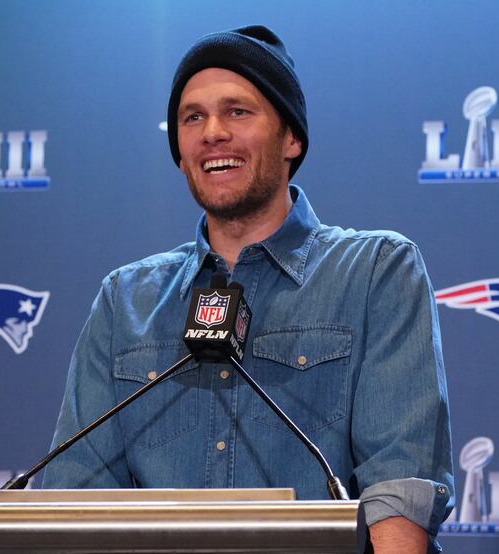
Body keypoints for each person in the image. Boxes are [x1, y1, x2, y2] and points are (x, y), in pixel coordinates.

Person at [43, 25, 454, 553]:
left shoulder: (375, 270)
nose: (212, 131)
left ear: (292, 138)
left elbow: (400, 486)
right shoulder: (126, 300)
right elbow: (77, 495)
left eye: (237, 111)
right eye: (193, 117)